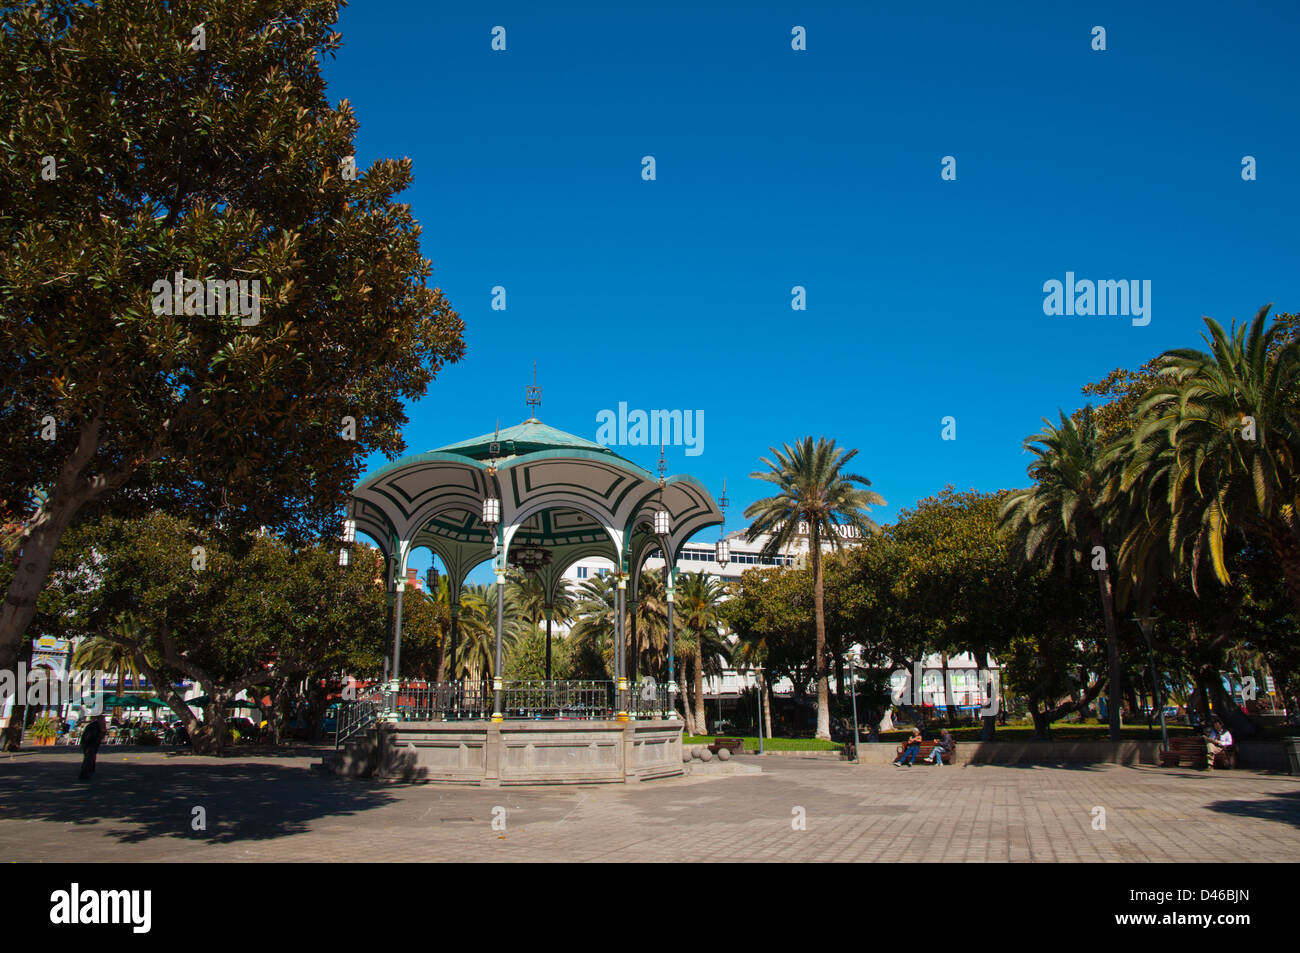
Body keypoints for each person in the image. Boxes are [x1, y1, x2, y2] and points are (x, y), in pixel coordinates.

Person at [78, 714, 105, 780]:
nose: (104, 721)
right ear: (100, 719)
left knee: (90, 757)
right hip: (90, 744)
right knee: (88, 758)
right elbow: (92, 736)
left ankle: (89, 770)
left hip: (88, 743)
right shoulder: (95, 726)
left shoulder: (93, 725)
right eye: (103, 720)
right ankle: (84, 774)